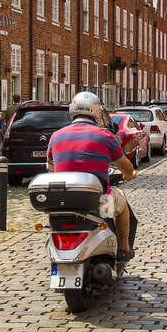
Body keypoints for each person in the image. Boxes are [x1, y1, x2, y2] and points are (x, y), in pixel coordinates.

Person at [46, 91, 137, 260]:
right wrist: (129, 174)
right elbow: (126, 167)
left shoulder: (56, 136)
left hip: (63, 200)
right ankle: (124, 247)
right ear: (96, 112)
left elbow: (50, 166)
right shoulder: (105, 136)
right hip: (97, 201)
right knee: (121, 199)